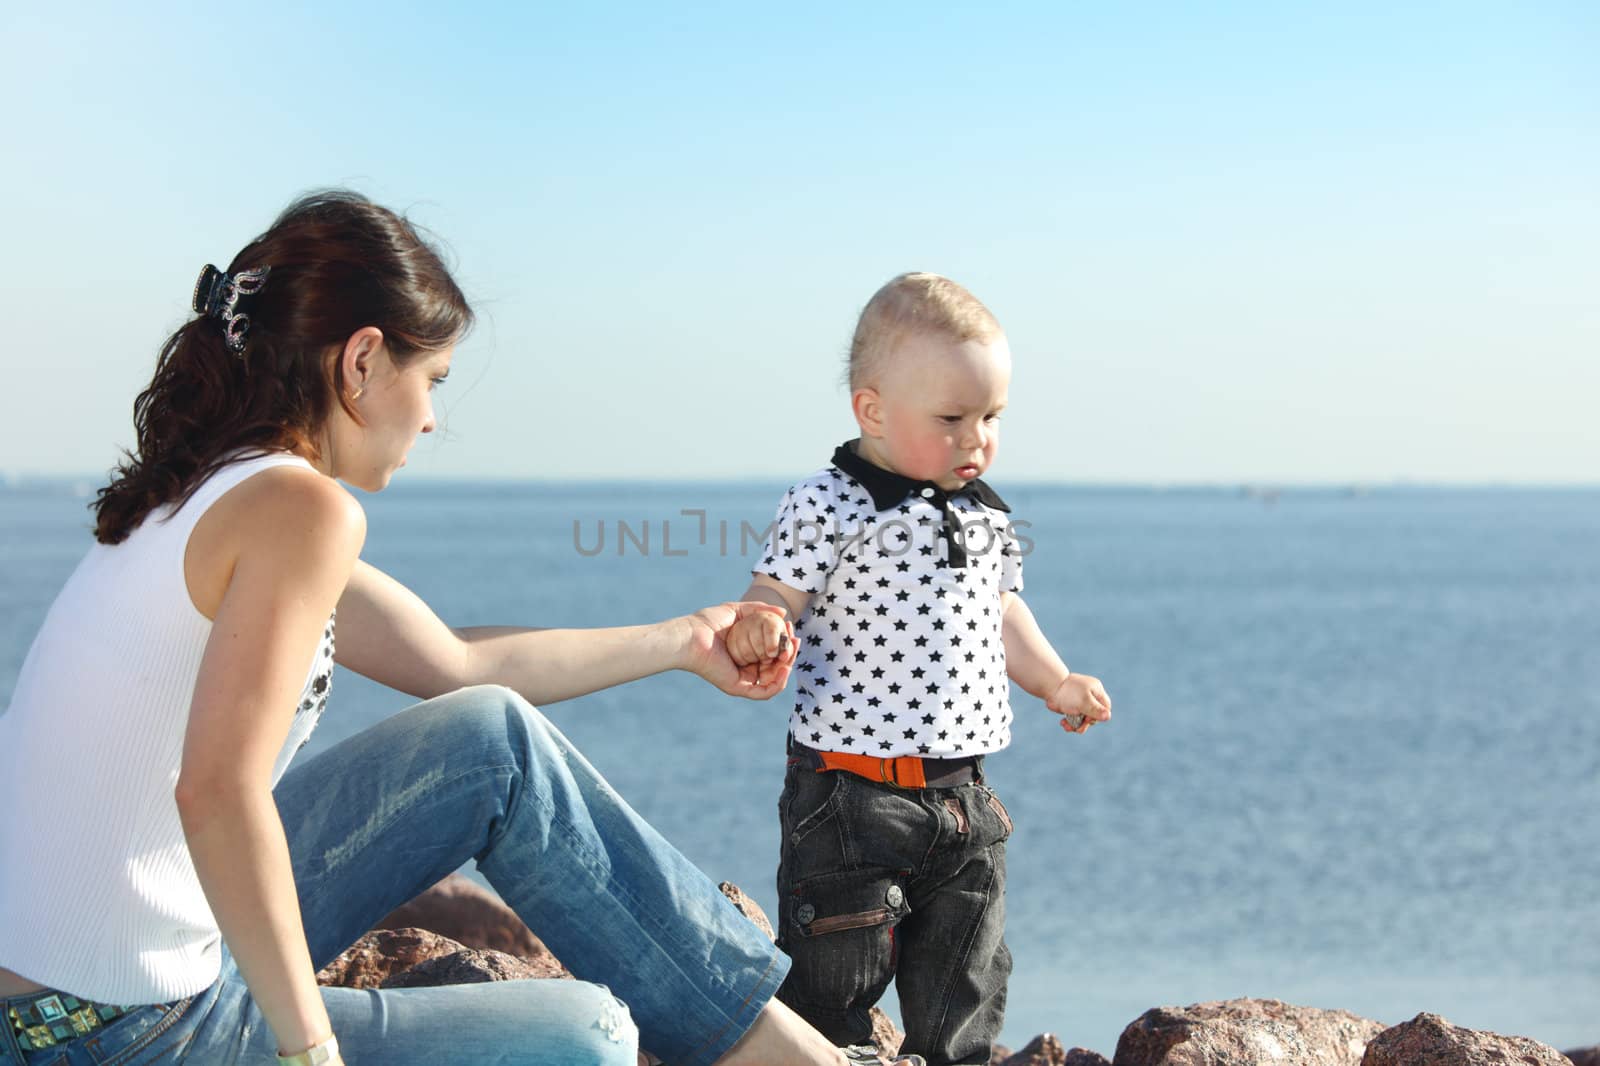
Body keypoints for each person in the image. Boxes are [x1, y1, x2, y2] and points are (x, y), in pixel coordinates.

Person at [0, 191, 924, 1066]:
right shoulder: (299, 510)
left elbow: (456, 661)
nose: (435, 417)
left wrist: (684, 642)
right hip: (127, 1034)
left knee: (491, 740)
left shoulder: (208, 489)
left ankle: (775, 1049)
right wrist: (305, 1047)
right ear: (361, 362)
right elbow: (216, 789)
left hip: (78, 992)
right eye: (431, 378)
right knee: (589, 1035)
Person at [721, 274, 1114, 1066]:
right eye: (952, 419)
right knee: (834, 979)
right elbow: (774, 590)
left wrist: (1056, 680)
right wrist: (760, 620)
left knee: (965, 981)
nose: (977, 439)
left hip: (964, 796)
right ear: (872, 410)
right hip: (849, 799)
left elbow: (1003, 614)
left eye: (991, 416)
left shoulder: (987, 516)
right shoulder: (828, 502)